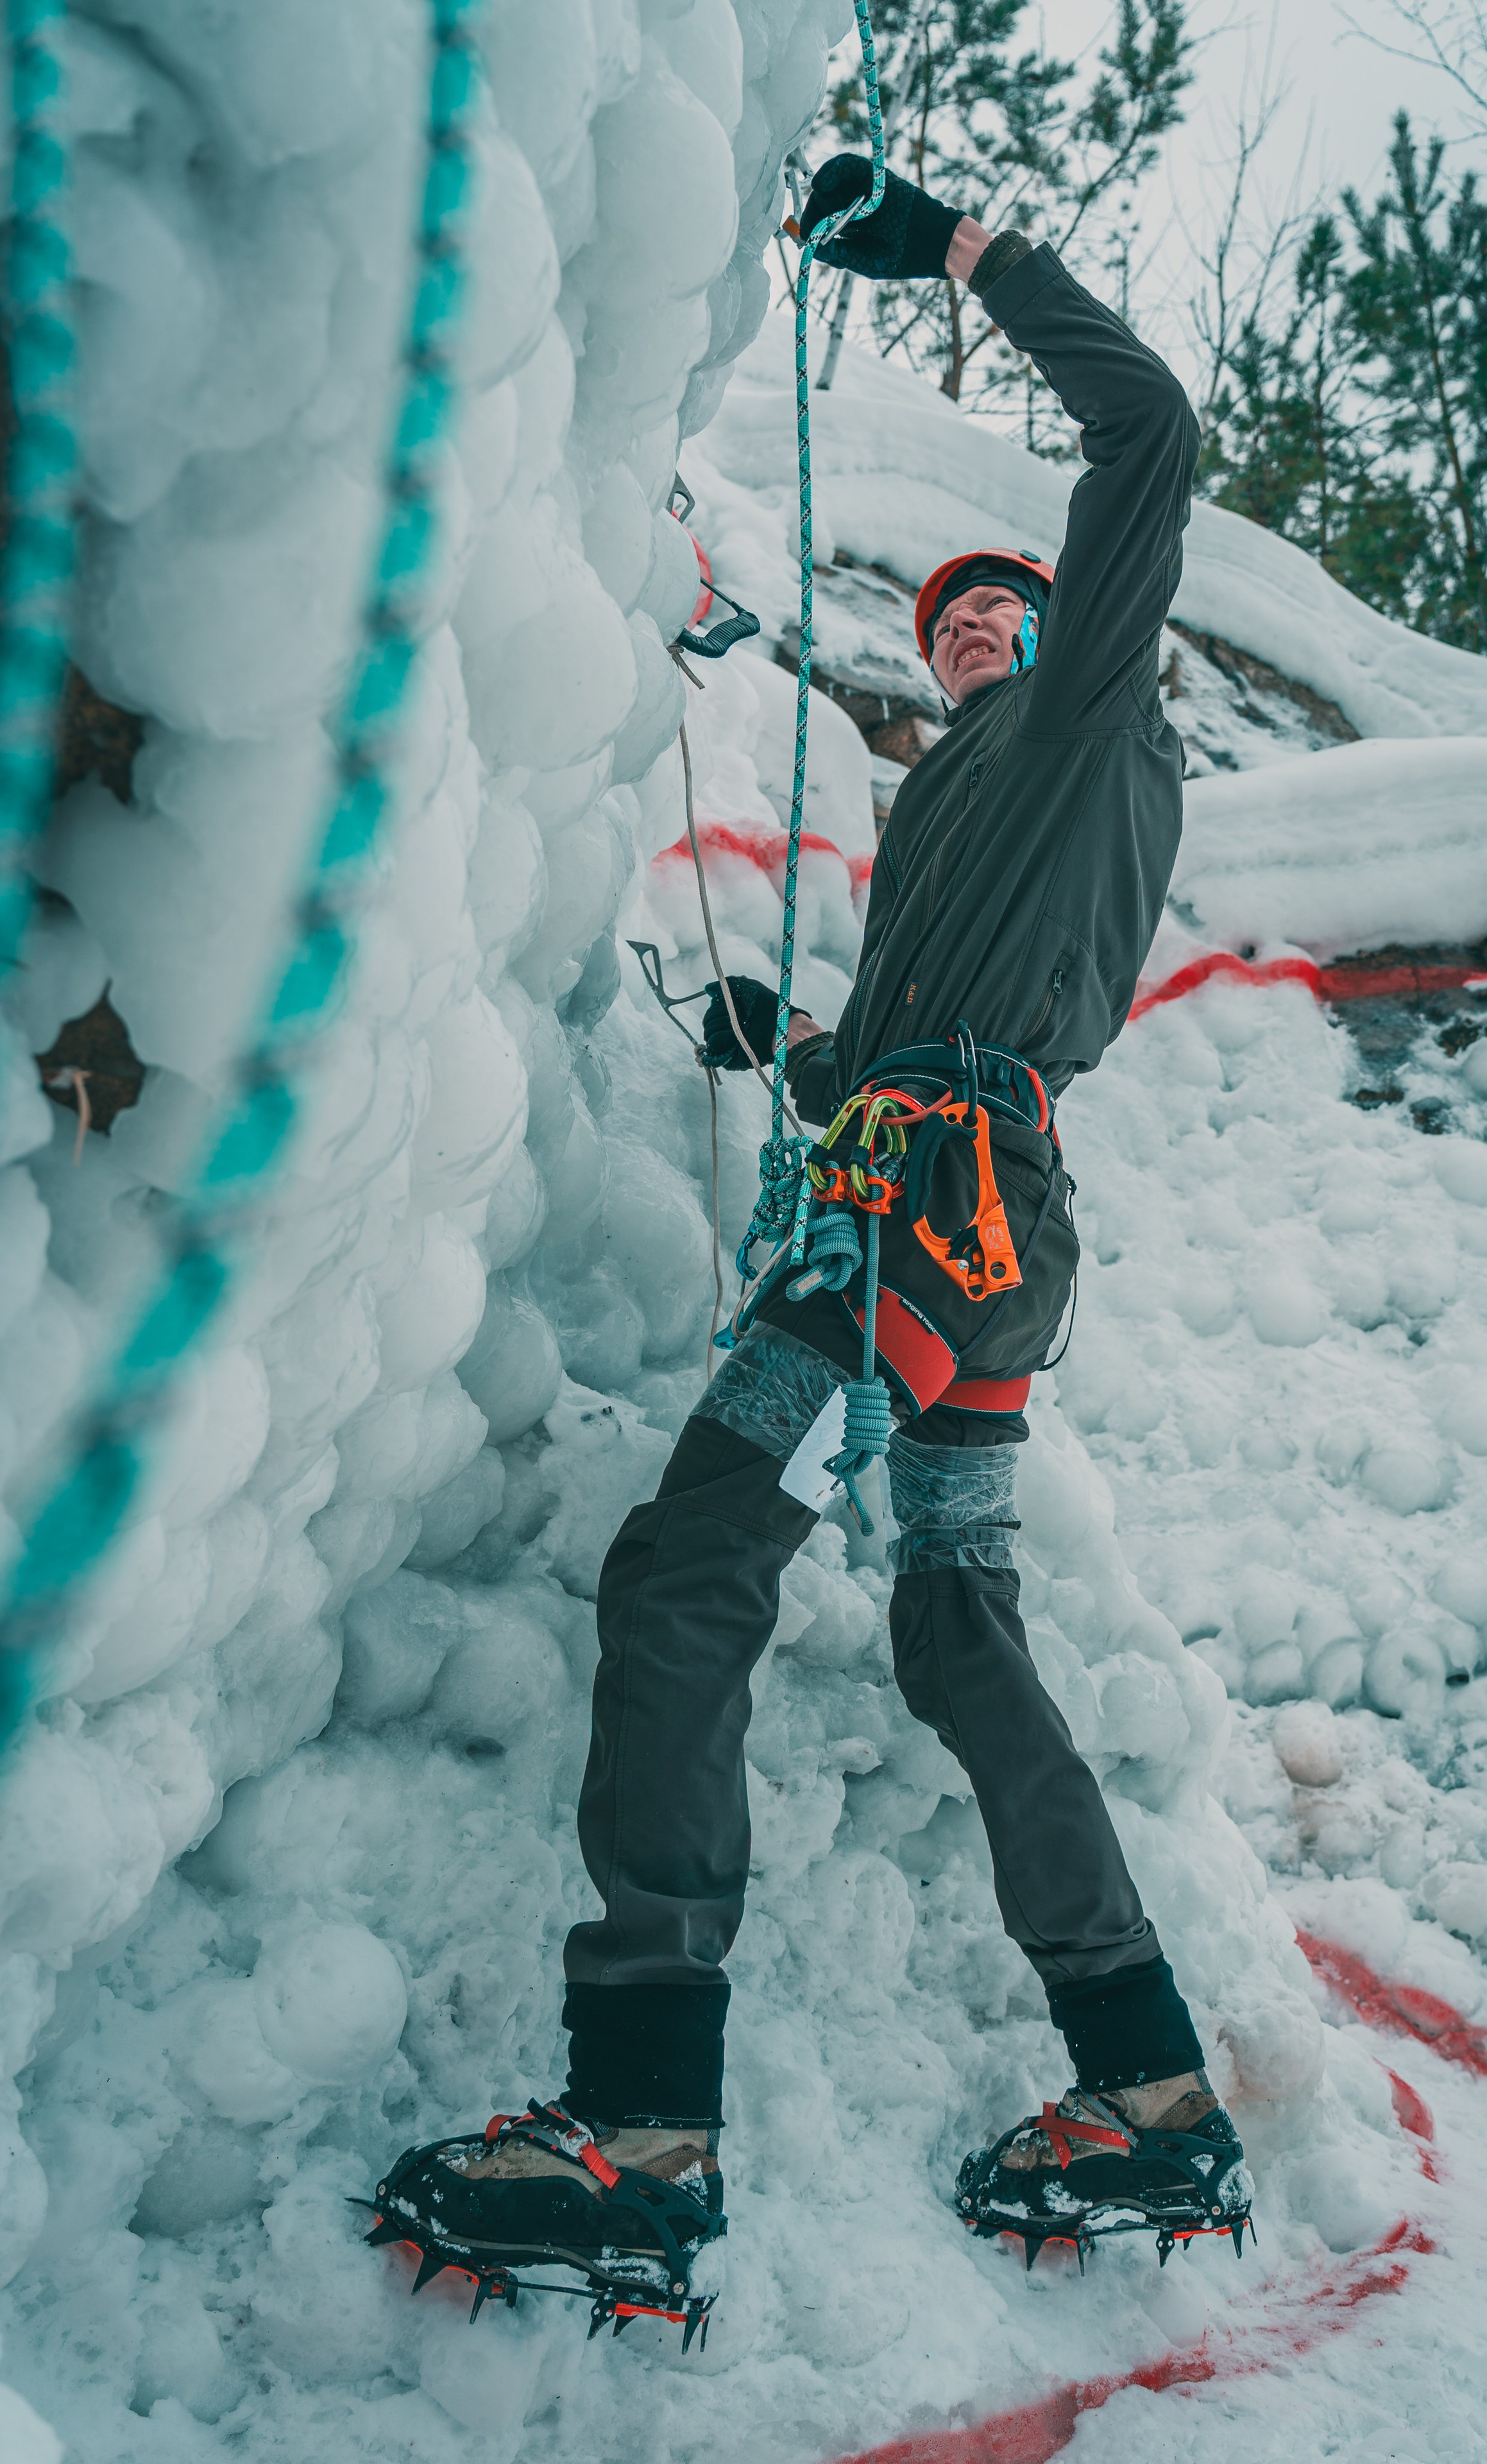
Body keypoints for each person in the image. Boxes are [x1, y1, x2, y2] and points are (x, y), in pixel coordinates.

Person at [371, 157, 1251, 2339]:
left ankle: (644, 2125)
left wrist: (957, 245)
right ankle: (1148, 2087)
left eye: (1004, 607)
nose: (969, 625)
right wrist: (815, 1044)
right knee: (957, 1635)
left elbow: (1149, 431)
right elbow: (953, 1018)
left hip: (923, 1222)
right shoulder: (978, 787)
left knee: (690, 1563)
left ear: (1078, 627)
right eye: (948, 618)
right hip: (974, 1214)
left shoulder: (1086, 719)